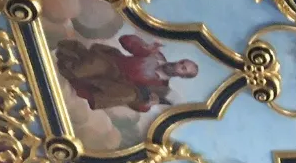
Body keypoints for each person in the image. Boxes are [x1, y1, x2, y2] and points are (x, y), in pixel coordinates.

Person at [55, 35, 198, 112]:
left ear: (182, 76)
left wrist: (148, 104)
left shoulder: (161, 87)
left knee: (127, 94)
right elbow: (124, 40)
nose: (178, 65)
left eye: (183, 69)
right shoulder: (155, 55)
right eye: (182, 62)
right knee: (90, 66)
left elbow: (138, 104)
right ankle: (66, 62)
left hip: (115, 84)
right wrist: (145, 48)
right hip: (111, 63)